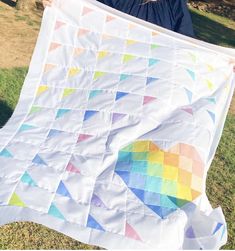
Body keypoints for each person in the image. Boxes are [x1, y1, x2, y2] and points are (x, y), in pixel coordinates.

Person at [42, 0, 195, 37]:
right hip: (117, 73)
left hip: (156, 77)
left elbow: (187, 40)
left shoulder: (174, 3)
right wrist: (59, 4)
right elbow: (85, 13)